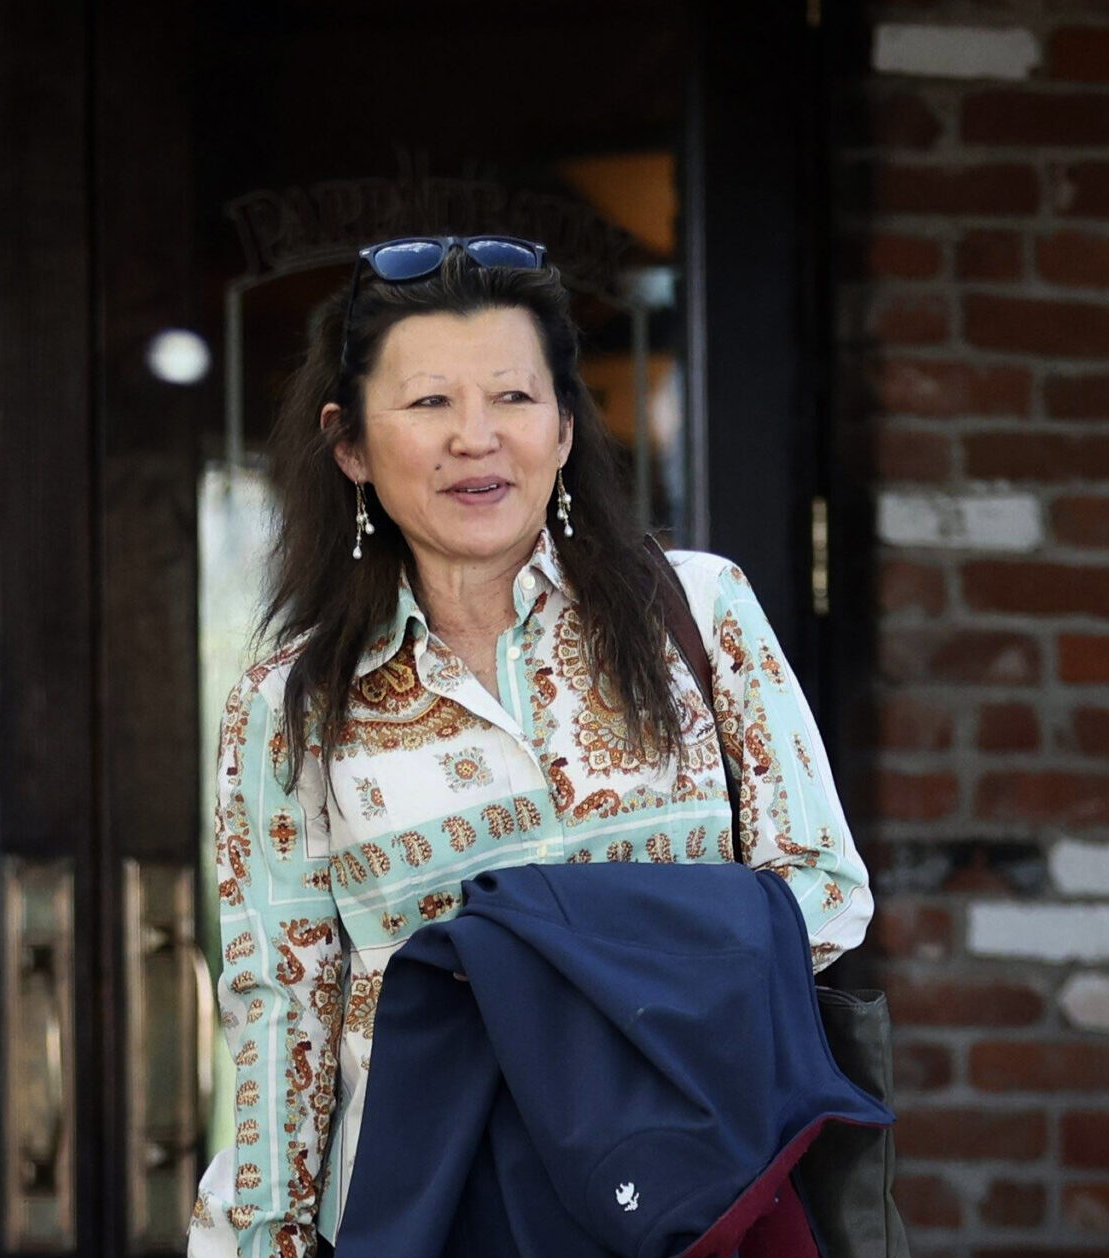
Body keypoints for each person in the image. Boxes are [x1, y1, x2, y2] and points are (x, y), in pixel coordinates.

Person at [187, 236, 871, 1258]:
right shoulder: (290, 700)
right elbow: (282, 1009)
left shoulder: (700, 607)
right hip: (433, 1206)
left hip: (698, 1190)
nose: (477, 439)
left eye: (513, 397)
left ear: (561, 427)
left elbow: (825, 887)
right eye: (428, 405)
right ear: (352, 446)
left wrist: (527, 965)